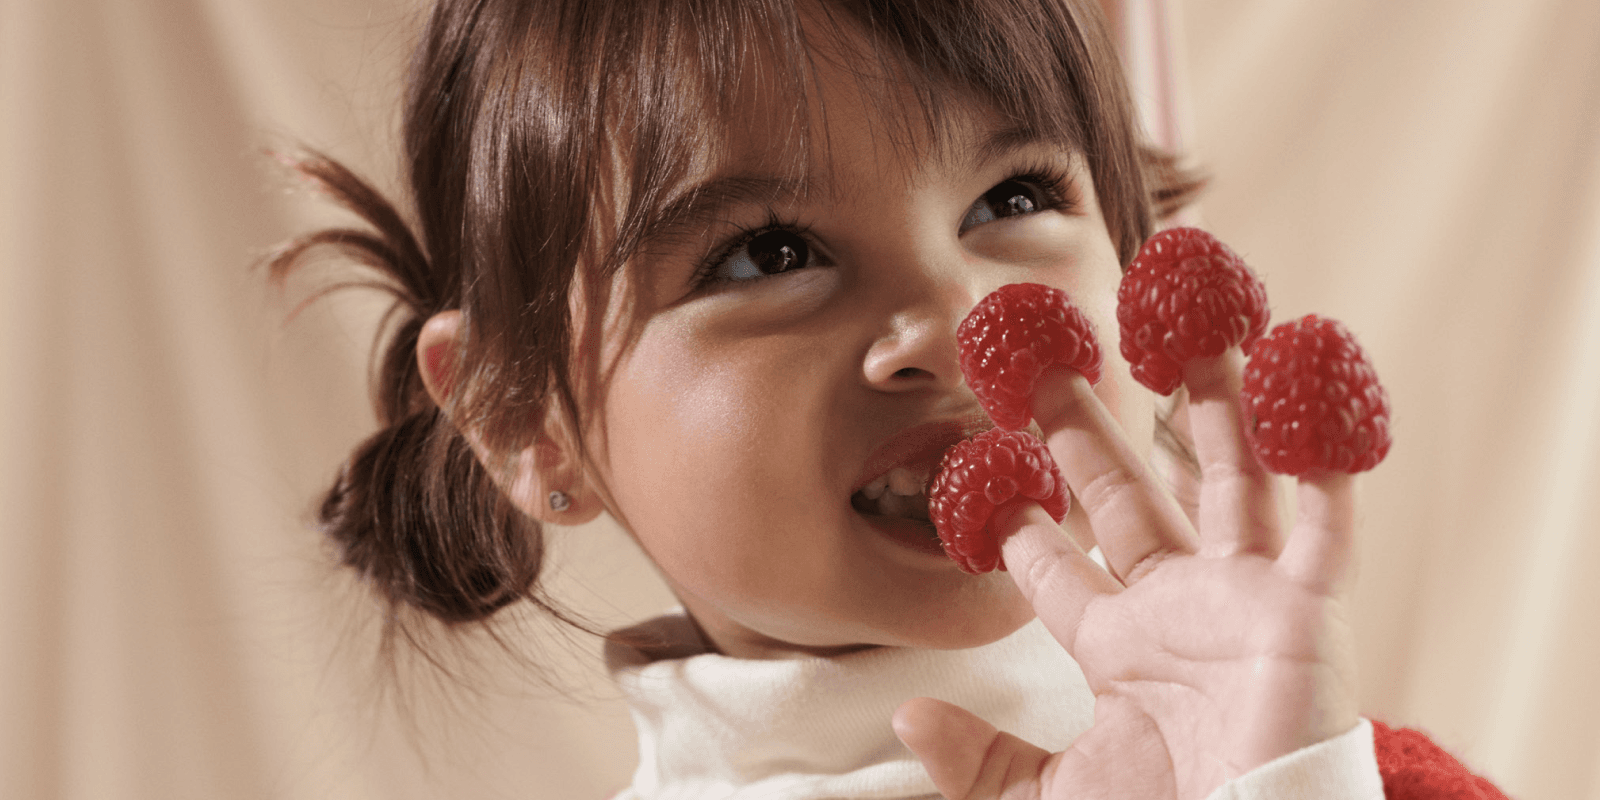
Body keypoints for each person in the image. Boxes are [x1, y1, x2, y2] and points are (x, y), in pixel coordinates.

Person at [269, 1, 1507, 797]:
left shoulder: (1330, 764)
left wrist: (1287, 782)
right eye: (766, 253)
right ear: (517, 412)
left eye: (1012, 199)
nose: (957, 321)